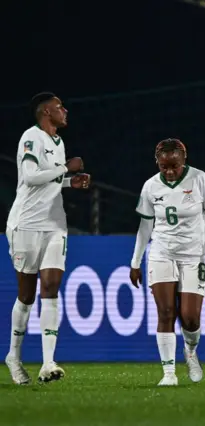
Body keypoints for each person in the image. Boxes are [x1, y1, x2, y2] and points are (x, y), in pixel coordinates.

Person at [5, 92, 90, 385]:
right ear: (45, 112)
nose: (64, 110)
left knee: (51, 286)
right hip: (25, 224)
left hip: (54, 225)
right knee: (27, 295)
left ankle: (48, 362)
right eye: (59, 107)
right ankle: (14, 357)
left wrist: (68, 182)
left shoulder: (58, 142)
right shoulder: (31, 137)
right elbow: (29, 176)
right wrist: (67, 169)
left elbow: (48, 179)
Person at [129, 139, 205, 386]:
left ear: (184, 159)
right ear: (157, 163)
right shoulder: (150, 187)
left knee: (190, 317)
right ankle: (168, 374)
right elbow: (145, 226)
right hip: (161, 253)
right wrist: (135, 261)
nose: (169, 172)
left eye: (175, 166)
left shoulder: (200, 179)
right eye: (164, 167)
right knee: (166, 312)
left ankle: (190, 351)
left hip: (193, 255)